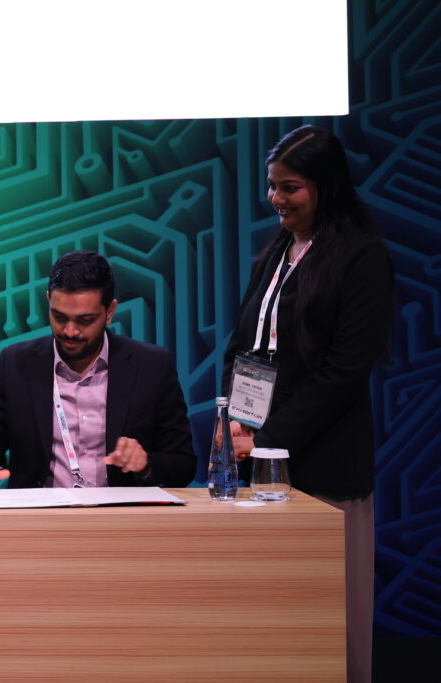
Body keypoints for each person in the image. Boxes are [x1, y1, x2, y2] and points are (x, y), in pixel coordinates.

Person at [222, 125, 393, 683]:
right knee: (267, 621)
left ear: (327, 186)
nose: (276, 198)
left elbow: (344, 372)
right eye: (272, 185)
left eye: (290, 187)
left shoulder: (360, 256)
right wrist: (233, 421)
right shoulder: (275, 251)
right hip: (259, 462)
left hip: (324, 465)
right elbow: (243, 345)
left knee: (328, 624)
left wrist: (266, 439)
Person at [0, 250, 196, 490]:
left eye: (85, 320)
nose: (70, 331)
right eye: (59, 317)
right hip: (39, 511)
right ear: (48, 300)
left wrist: (145, 465)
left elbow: (183, 464)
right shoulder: (16, 363)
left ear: (110, 312)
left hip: (121, 511)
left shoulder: (151, 366)